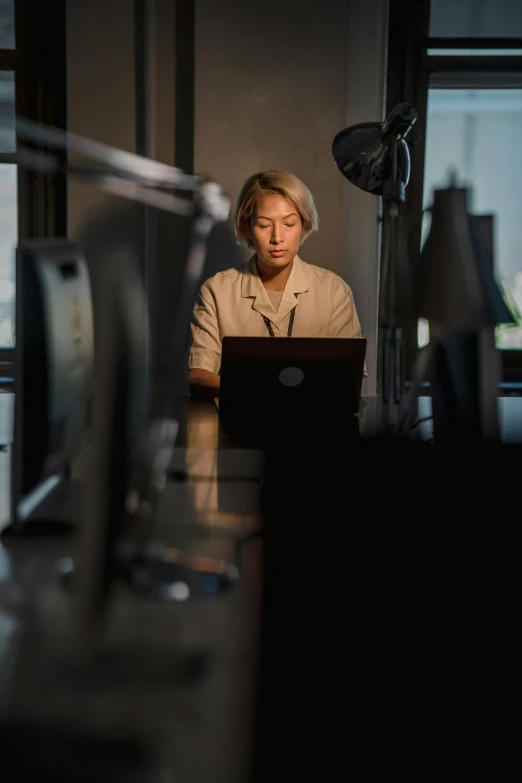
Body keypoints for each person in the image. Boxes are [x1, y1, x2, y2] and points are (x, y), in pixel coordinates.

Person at [188, 169, 362, 398]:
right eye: (264, 225)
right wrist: (263, 391)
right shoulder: (216, 291)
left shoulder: (334, 291)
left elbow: (348, 377)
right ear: (247, 227)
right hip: (239, 425)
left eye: (289, 224)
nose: (277, 237)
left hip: (315, 426)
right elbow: (198, 375)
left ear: (303, 224)